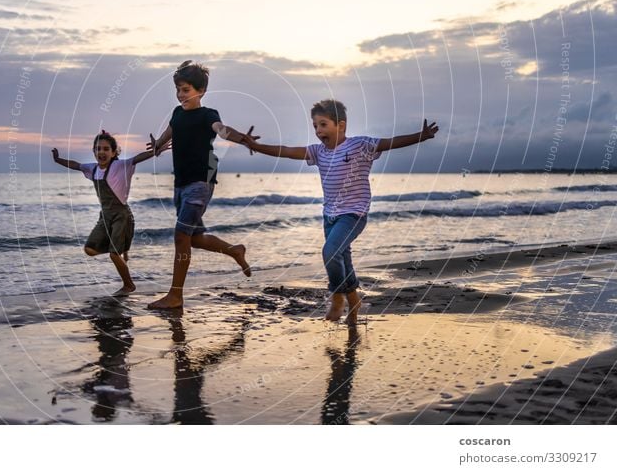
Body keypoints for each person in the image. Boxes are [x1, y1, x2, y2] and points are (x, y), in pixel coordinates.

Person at [244, 99, 439, 324]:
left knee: (330, 252)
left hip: (354, 214)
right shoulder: (318, 152)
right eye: (315, 126)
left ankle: (337, 297)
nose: (318, 131)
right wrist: (256, 147)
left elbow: (390, 142)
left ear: (341, 125)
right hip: (330, 216)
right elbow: (287, 151)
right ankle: (354, 300)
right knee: (343, 259)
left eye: (323, 124)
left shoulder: (359, 145)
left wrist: (420, 136)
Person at [146, 60, 253, 309]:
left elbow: (222, 130)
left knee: (181, 236)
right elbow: (168, 134)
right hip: (181, 183)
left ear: (201, 91)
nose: (181, 94)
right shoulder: (177, 113)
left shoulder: (208, 115)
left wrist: (244, 139)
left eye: (185, 89)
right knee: (194, 237)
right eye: (178, 89)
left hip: (200, 183)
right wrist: (158, 145)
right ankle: (234, 250)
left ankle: (175, 295)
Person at [52, 131, 165, 296]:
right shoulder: (92, 169)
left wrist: (155, 151)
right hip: (104, 216)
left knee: (113, 255)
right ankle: (121, 249)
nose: (101, 152)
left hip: (121, 216)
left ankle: (129, 284)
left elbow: (138, 158)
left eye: (106, 149)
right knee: (90, 249)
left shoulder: (120, 166)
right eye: (98, 149)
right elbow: (75, 165)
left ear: (113, 153)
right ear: (94, 152)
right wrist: (57, 160)